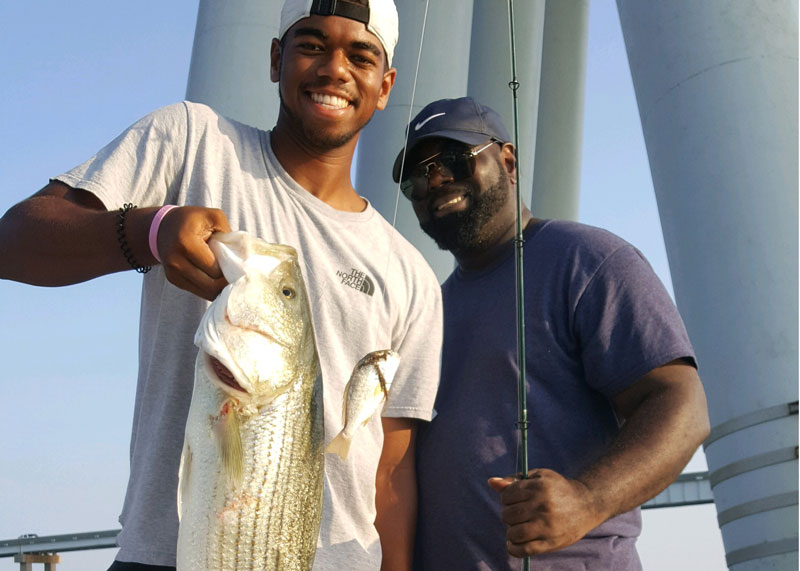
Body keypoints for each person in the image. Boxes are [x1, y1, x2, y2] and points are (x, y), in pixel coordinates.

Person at [0, 1, 443, 570]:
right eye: (311, 45)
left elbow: (390, 472)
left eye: (361, 56)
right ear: (276, 58)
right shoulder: (192, 141)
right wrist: (148, 231)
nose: (335, 68)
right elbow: (15, 241)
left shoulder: (410, 276)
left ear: (385, 87)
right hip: (165, 556)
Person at [391, 97, 710, 570]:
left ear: (508, 162)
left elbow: (682, 404)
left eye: (455, 160)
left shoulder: (587, 260)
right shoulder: (426, 310)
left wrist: (587, 500)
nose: (435, 181)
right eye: (418, 178)